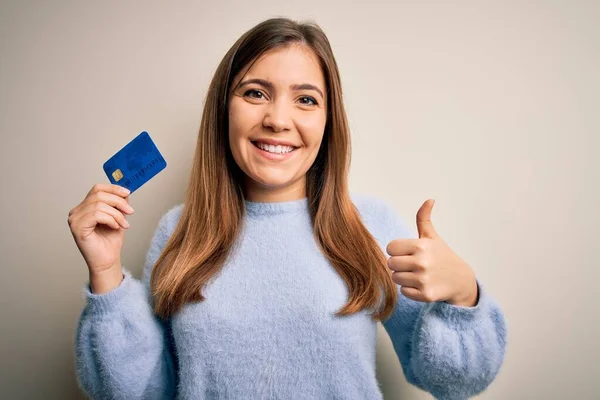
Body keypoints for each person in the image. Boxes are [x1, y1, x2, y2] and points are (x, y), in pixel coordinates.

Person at [68, 17, 507, 400]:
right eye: (256, 93)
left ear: (328, 121)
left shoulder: (370, 225)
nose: (278, 119)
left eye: (306, 99)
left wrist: (462, 296)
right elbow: (139, 393)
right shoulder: (178, 230)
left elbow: (453, 383)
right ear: (224, 110)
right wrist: (107, 275)